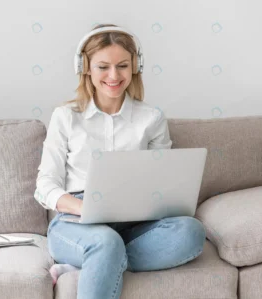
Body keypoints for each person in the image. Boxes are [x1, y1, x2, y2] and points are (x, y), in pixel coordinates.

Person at [34, 23, 206, 299]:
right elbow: (44, 186)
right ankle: (99, 254)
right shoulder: (66, 116)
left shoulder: (152, 118)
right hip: (76, 222)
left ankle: (95, 262)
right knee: (104, 241)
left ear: (135, 66)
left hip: (135, 222)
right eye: (103, 66)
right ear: (85, 67)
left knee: (191, 232)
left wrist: (155, 201)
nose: (114, 75)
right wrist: (87, 207)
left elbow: (163, 181)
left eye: (122, 66)